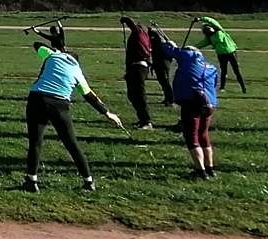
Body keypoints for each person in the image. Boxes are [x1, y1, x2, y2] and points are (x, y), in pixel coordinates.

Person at [21, 41, 122, 192]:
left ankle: (31, 181)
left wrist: (53, 49)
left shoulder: (53, 56)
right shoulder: (77, 71)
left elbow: (37, 44)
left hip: (37, 98)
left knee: (35, 142)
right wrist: (107, 113)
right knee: (71, 143)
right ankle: (88, 181)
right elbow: (89, 96)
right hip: (59, 104)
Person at [151, 28, 220, 178]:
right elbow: (214, 85)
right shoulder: (211, 67)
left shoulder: (189, 55)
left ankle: (199, 171)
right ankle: (210, 168)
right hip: (209, 104)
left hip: (192, 102)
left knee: (192, 136)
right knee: (204, 135)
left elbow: (169, 50)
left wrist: (169, 43)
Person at [118, 16, 155, 129]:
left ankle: (146, 121)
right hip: (136, 68)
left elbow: (134, 27)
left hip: (138, 67)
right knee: (132, 95)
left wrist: (126, 20)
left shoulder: (139, 33)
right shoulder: (145, 36)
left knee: (138, 95)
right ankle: (142, 119)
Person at [197, 16, 246, 94]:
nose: (208, 30)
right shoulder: (209, 38)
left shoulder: (220, 30)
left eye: (208, 28)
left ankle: (244, 88)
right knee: (223, 71)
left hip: (231, 52)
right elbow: (201, 44)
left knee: (236, 71)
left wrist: (200, 18)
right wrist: (192, 47)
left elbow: (212, 21)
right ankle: (222, 88)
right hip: (221, 55)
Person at [146, 22, 176, 107]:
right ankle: (167, 98)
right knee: (161, 80)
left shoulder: (155, 36)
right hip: (158, 60)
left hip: (163, 60)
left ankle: (171, 99)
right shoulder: (151, 35)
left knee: (165, 80)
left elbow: (159, 49)